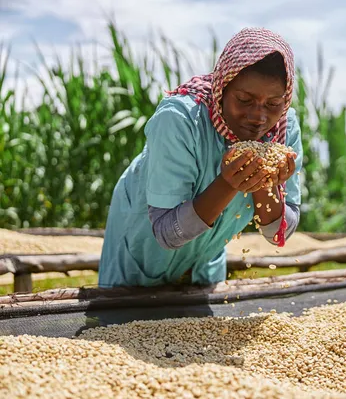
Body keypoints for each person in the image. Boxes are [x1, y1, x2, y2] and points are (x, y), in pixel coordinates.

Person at [98, 27, 303, 288]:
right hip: (141, 258)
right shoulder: (179, 119)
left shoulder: (283, 130)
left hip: (205, 262)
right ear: (221, 89)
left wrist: (266, 183)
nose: (258, 117)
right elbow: (167, 234)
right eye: (244, 99)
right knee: (125, 324)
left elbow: (278, 235)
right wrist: (228, 184)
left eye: (273, 104)